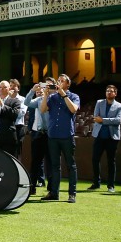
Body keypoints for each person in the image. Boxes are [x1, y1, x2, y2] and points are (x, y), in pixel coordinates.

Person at [40, 74, 79, 202]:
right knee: (55, 166)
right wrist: (45, 94)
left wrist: (63, 94)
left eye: (62, 81)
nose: (59, 82)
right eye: (58, 81)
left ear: (68, 84)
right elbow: (43, 109)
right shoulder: (52, 97)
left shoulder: (74, 96)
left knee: (70, 165)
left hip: (67, 135)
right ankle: (54, 193)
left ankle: (72, 194)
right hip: (53, 136)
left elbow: (73, 109)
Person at [88, 84, 121, 193]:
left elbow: (118, 120)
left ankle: (111, 185)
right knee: (95, 159)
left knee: (111, 161)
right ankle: (96, 183)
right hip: (99, 135)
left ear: (115, 93)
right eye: (107, 91)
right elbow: (95, 117)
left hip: (112, 137)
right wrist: (104, 120)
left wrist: (103, 120)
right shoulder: (99, 103)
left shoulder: (119, 106)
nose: (109, 92)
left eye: (111, 91)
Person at [24, 81, 52, 195]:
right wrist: (32, 90)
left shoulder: (55, 99)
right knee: (35, 162)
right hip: (39, 133)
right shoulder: (39, 99)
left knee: (50, 162)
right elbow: (27, 102)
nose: (46, 88)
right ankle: (32, 187)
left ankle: (51, 188)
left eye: (49, 86)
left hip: (51, 134)